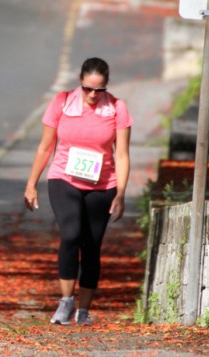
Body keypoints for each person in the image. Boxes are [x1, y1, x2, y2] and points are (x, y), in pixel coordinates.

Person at [24, 57, 132, 326]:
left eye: (100, 89)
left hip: (102, 185)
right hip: (64, 179)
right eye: (88, 89)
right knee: (71, 235)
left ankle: (83, 309)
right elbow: (45, 146)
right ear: (80, 82)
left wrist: (120, 193)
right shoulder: (61, 102)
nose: (93, 94)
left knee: (91, 246)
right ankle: (66, 301)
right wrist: (32, 183)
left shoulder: (117, 108)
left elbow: (121, 155)